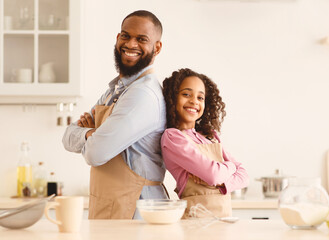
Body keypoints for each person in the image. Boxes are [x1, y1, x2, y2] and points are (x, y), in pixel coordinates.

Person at [62, 10, 168, 219]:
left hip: (137, 211)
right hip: (112, 204)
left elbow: (96, 153)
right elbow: (67, 136)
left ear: (157, 47)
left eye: (141, 39)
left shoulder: (142, 94)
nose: (130, 44)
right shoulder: (117, 89)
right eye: (125, 35)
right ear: (117, 38)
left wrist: (90, 133)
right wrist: (93, 133)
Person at [161, 68, 249, 218]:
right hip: (195, 224)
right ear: (172, 98)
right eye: (186, 94)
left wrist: (223, 183)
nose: (194, 101)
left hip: (224, 222)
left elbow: (244, 176)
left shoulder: (210, 136)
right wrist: (231, 167)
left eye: (200, 97)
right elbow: (213, 175)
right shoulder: (173, 138)